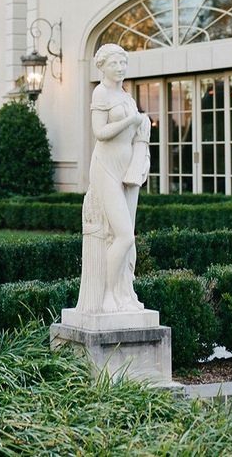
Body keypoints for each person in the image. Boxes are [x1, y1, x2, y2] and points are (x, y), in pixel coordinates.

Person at [75, 43, 151, 314]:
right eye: (114, 63)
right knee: (123, 236)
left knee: (125, 238)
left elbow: (134, 130)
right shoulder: (101, 92)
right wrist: (130, 122)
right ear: (102, 66)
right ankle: (106, 295)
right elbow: (100, 132)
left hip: (127, 170)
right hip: (106, 167)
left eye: (123, 63)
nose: (120, 68)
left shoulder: (126, 95)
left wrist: (142, 127)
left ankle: (124, 293)